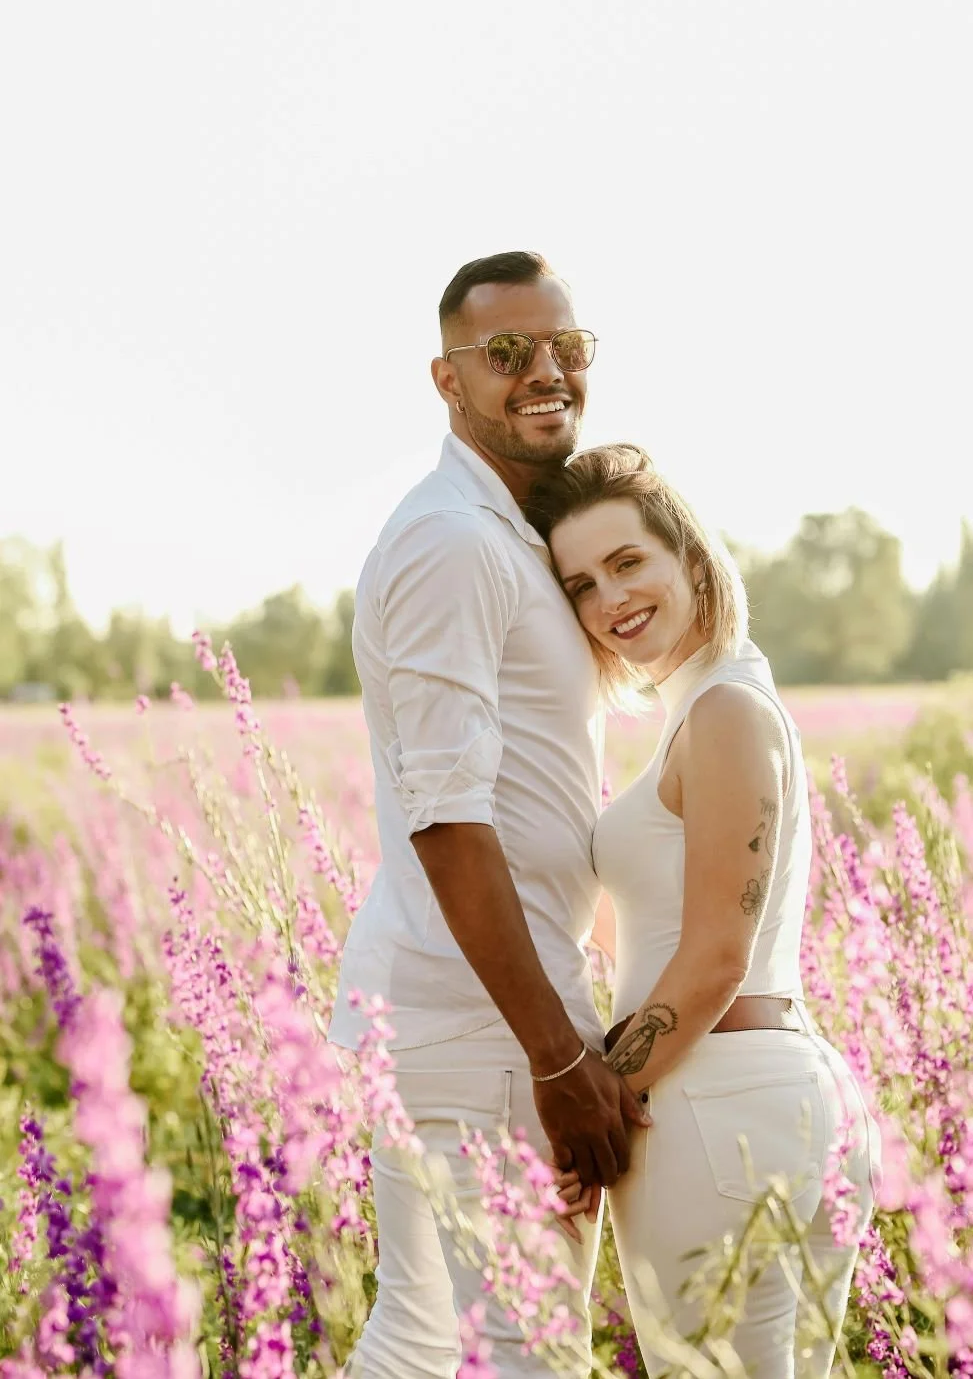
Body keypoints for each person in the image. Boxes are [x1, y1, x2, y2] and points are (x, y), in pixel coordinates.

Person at [328, 253, 650, 1379]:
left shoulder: (506, 531)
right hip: (485, 1032)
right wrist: (559, 1055)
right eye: (506, 353)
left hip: (456, 1013)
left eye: (566, 346)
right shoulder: (454, 540)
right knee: (527, 1353)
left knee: (415, 1346)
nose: (543, 371)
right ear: (446, 378)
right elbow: (446, 816)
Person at [526, 444, 882, 1378]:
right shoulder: (715, 705)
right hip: (780, 1094)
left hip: (714, 1100)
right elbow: (659, 926)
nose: (608, 599)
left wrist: (600, 1091)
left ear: (689, 555)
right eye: (580, 584)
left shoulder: (723, 711)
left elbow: (718, 953)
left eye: (627, 561)